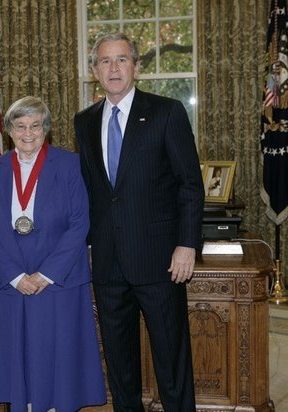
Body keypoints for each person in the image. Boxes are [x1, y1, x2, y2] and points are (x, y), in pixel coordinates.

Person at [74, 33, 205, 411]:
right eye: (105, 61)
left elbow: (189, 185)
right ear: (94, 70)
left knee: (171, 362)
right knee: (119, 365)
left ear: (136, 66)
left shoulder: (166, 112)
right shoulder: (84, 122)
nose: (113, 68)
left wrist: (186, 244)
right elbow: (89, 191)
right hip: (108, 264)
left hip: (160, 260)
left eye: (121, 60)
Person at [0, 96, 107, 411]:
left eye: (35, 125)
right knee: (18, 356)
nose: (28, 132)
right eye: (20, 126)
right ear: (9, 130)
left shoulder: (70, 164)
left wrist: (46, 274)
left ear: (46, 129)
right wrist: (16, 276)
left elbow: (80, 223)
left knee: (56, 356)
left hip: (57, 281)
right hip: (13, 281)